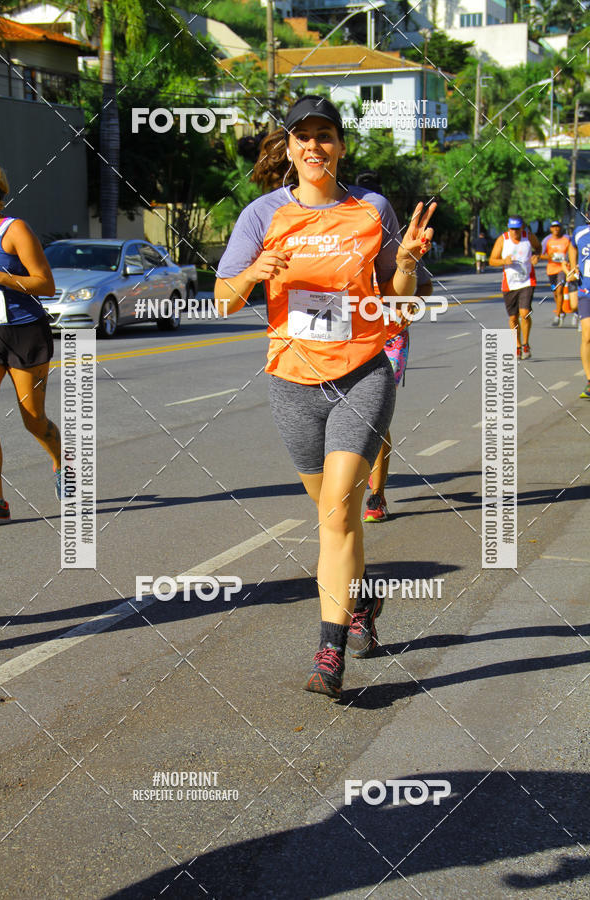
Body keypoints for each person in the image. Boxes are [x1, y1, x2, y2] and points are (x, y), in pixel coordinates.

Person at [215, 95, 435, 698]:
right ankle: (361, 598)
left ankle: (328, 653)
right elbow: (224, 300)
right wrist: (256, 269)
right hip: (291, 381)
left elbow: (402, 301)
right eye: (302, 137)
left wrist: (408, 262)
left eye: (326, 135)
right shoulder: (262, 215)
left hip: (363, 370)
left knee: (339, 510)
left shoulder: (372, 209)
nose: (315, 146)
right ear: (288, 149)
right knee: (333, 517)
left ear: (341, 146)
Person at [0, 164, 61, 525]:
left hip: (24, 332)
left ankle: (61, 464)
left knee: (32, 419)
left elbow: (45, 284)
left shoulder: (13, 229)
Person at [362, 264, 432, 524]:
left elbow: (425, 286)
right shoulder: (343, 242)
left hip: (391, 340)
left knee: (376, 415)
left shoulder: (401, 252)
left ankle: (377, 497)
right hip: (352, 342)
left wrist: (413, 303)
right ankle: (369, 464)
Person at [488, 215, 540, 361]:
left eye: (517, 229)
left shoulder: (528, 237)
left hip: (527, 281)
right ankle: (517, 345)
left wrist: (537, 256)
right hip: (509, 284)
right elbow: (492, 260)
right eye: (512, 229)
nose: (514, 232)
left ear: (522, 227)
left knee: (525, 313)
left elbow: (538, 248)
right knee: (513, 317)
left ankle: (525, 344)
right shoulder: (502, 240)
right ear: (508, 228)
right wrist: (504, 261)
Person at [568, 221, 590, 399]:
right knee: (587, 336)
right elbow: (572, 246)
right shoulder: (580, 232)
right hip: (586, 291)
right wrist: (574, 265)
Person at [541, 220, 575, 326]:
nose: (556, 229)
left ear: (560, 228)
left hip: (563, 269)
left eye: (557, 227)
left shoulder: (566, 239)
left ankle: (558, 314)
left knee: (560, 290)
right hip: (551, 270)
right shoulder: (547, 240)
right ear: (551, 228)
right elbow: (540, 254)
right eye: (553, 227)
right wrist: (549, 256)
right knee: (555, 292)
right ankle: (561, 311)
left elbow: (573, 251)